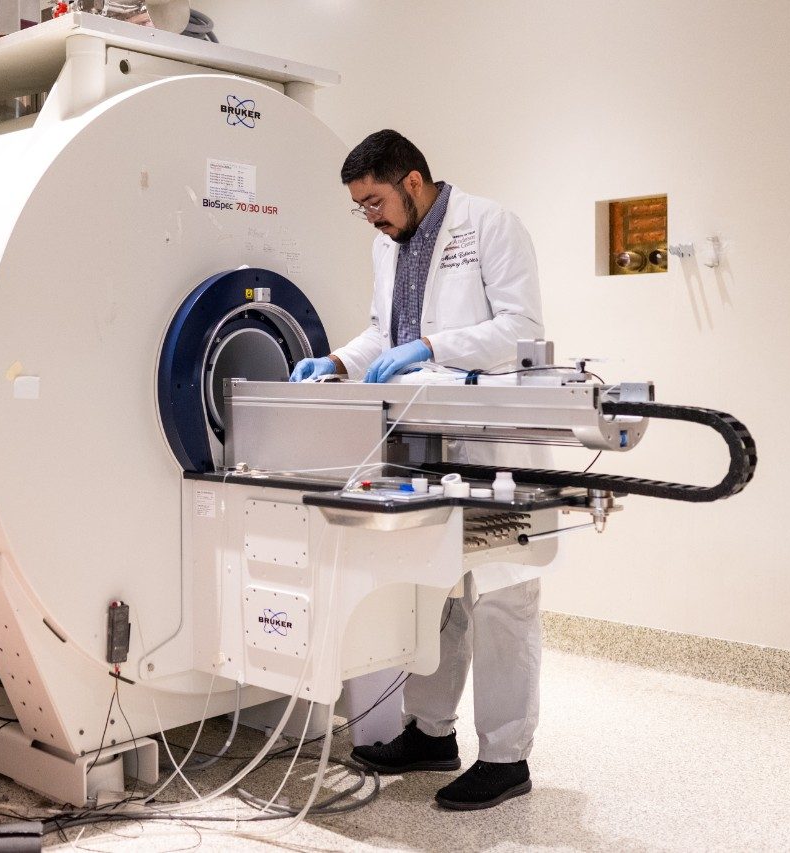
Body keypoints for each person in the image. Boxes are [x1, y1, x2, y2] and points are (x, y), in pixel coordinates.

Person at [290, 129, 546, 811]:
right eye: (359, 207)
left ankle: (506, 756)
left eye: (373, 200)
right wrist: (338, 360)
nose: (368, 216)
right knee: (433, 590)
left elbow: (521, 330)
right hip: (426, 439)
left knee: (500, 597)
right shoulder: (387, 245)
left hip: (497, 442)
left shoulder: (490, 224)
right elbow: (386, 330)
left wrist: (433, 344)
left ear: (411, 181)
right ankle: (431, 733)